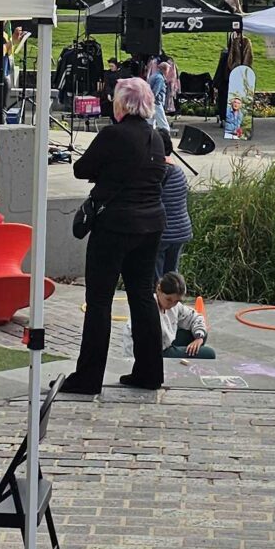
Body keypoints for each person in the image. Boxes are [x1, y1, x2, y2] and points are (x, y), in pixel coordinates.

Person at [62, 76, 169, 396]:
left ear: (121, 103)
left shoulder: (112, 135)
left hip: (114, 226)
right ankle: (150, 371)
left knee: (99, 301)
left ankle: (88, 377)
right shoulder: (156, 138)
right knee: (142, 296)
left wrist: (105, 172)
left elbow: (81, 169)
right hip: (151, 225)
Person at [155, 272, 211, 359]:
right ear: (158, 290)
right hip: (156, 352)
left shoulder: (175, 306)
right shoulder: (149, 307)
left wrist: (199, 338)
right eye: (168, 299)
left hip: (167, 342)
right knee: (209, 354)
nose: (172, 304)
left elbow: (195, 317)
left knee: (201, 333)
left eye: (176, 301)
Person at [157, 156, 192, 280]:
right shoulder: (177, 170)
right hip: (181, 230)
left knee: (157, 279)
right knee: (172, 277)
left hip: (162, 233)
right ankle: (173, 298)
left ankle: (158, 299)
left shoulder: (157, 173)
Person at [145, 53, 173, 135]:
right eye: (168, 70)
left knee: (150, 123)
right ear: (165, 70)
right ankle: (166, 140)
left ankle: (150, 138)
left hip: (150, 103)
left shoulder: (153, 76)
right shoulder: (160, 78)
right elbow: (155, 91)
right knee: (164, 124)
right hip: (156, 103)